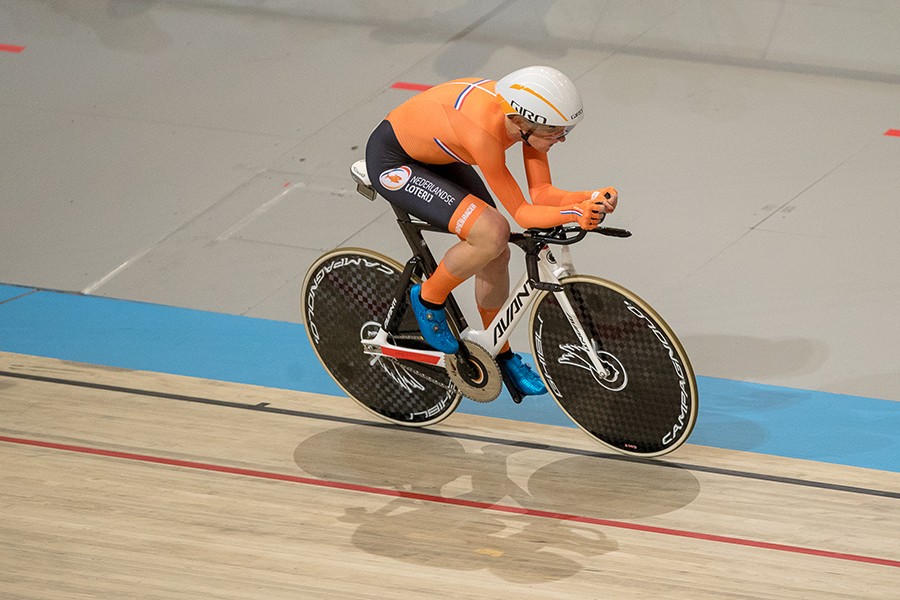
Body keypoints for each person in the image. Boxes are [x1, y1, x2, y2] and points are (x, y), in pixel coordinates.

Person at [365, 65, 618, 397]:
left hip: (439, 155)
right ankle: (428, 298)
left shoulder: (524, 121)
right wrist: (575, 212)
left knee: (497, 254)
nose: (563, 138)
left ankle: (500, 350)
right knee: (492, 232)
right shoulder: (484, 131)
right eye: (556, 131)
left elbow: (541, 193)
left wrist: (589, 198)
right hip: (394, 160)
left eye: (564, 129)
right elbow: (524, 214)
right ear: (520, 122)